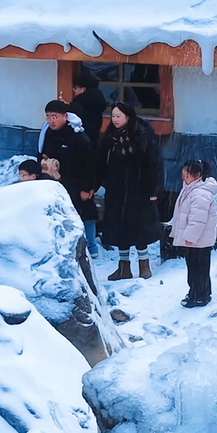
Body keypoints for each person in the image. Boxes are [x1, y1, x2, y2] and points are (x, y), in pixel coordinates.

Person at [97, 102, 163, 281]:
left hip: (139, 188)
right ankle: (123, 268)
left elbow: (155, 163)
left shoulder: (142, 135)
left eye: (119, 116)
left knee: (140, 228)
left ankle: (144, 266)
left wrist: (154, 188)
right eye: (113, 116)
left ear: (128, 116)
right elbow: (101, 161)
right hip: (117, 189)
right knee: (120, 228)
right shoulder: (110, 137)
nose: (115, 119)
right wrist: (99, 183)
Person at [38, 100, 99, 256]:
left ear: (65, 116)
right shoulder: (46, 134)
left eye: (55, 117)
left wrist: (87, 187)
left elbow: (90, 163)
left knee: (85, 214)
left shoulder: (77, 135)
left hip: (77, 182)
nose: (51, 121)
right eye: (48, 117)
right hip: (55, 183)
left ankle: (91, 247)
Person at [169, 159, 217, 307]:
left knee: (198, 269)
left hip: (198, 241)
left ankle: (199, 296)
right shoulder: (191, 189)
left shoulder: (200, 194)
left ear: (197, 175)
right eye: (183, 175)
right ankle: (199, 292)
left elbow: (198, 220)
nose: (184, 178)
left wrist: (190, 237)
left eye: (187, 175)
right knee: (197, 268)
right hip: (196, 240)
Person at [70, 72, 107, 148]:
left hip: (79, 144)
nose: (74, 91)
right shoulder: (97, 102)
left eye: (75, 88)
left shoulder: (79, 103)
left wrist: (67, 108)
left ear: (83, 89)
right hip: (93, 143)